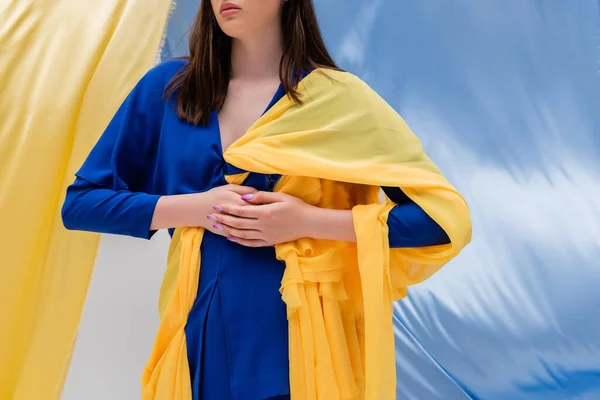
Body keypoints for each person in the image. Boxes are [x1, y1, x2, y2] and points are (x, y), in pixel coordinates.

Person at [62, 1, 466, 399]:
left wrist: (307, 220)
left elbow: (440, 221)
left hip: (300, 343)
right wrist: (197, 208)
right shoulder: (170, 89)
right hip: (197, 335)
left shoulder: (336, 100)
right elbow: (82, 203)